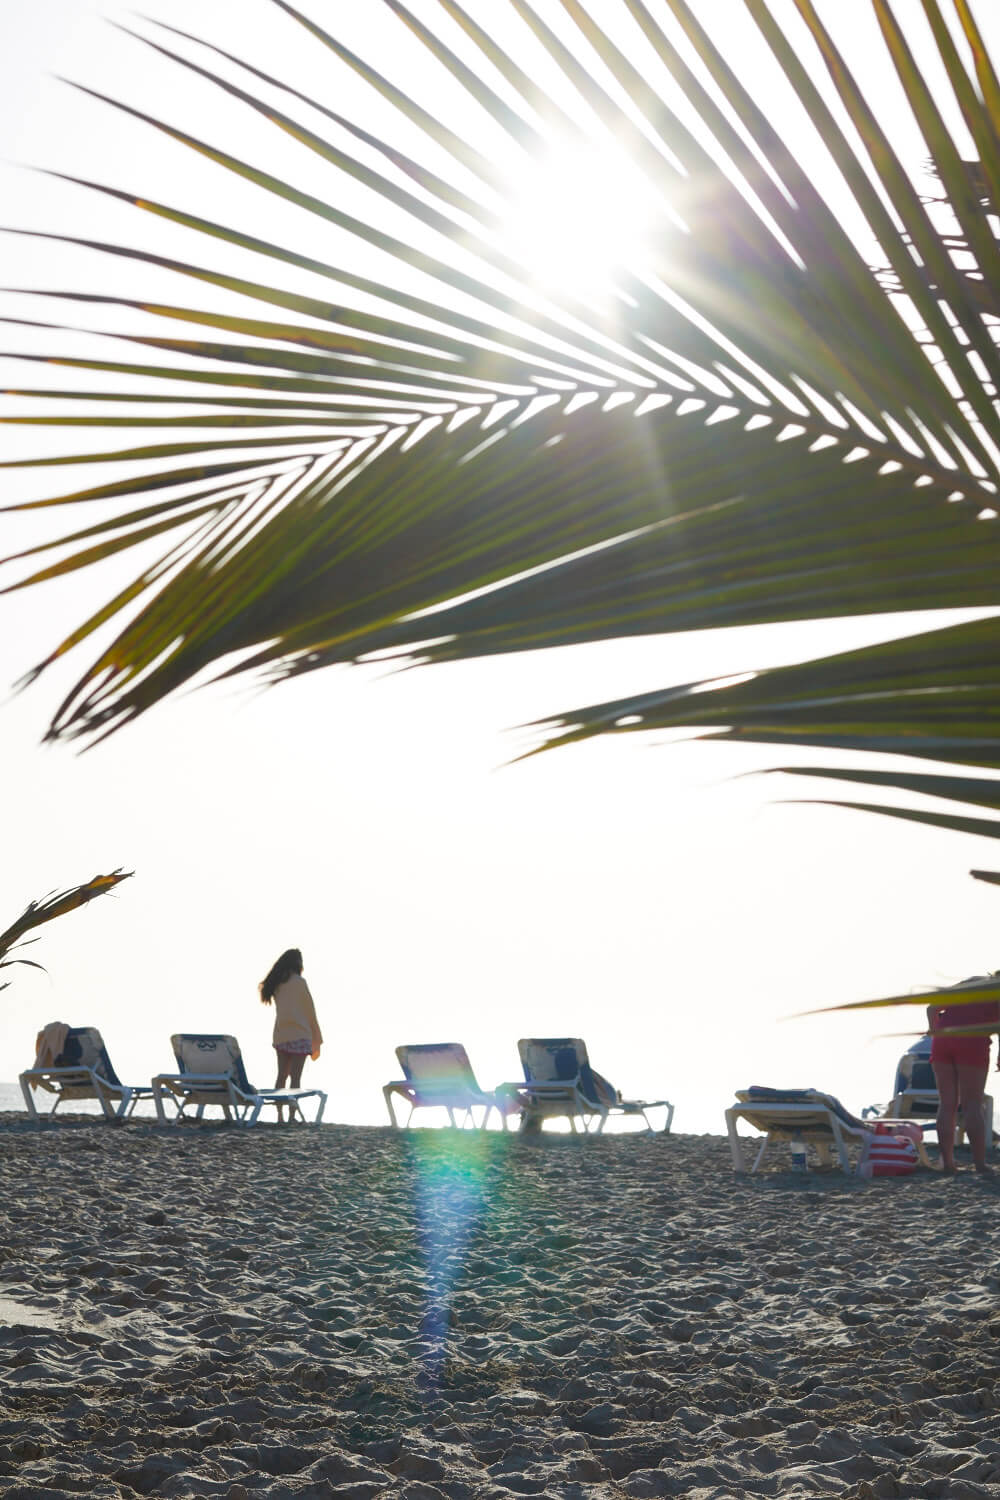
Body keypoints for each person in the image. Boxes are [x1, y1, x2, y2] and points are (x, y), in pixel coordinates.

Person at [926, 975, 1000, 1173]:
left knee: (947, 1104)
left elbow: (931, 1008)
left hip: (943, 1041)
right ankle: (980, 1164)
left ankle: (948, 1163)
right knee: (973, 1105)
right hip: (972, 1043)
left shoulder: (971, 983)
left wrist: (935, 1033)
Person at [259, 948, 323, 1112]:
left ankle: (279, 1115)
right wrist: (317, 1035)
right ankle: (291, 1116)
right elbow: (310, 1010)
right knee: (296, 1078)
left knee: (281, 1076)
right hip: (300, 1034)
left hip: (281, 1034)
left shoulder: (276, 984)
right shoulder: (299, 982)